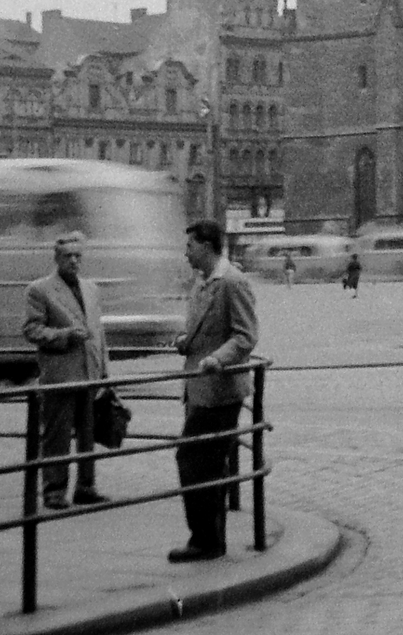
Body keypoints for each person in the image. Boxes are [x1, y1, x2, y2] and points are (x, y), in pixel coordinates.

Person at [169, 220, 258, 563]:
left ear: (206, 246)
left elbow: (246, 335)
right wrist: (185, 342)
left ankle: (204, 540)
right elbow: (202, 328)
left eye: (190, 246)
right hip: (198, 388)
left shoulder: (232, 282)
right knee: (205, 464)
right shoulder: (203, 282)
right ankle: (210, 539)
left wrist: (217, 359)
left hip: (220, 390)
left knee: (191, 459)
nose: (186, 253)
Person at [22, 231, 110, 510]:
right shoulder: (40, 289)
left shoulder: (92, 289)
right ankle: (54, 490)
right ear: (56, 259)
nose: (74, 261)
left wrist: (105, 371)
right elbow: (32, 330)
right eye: (67, 256)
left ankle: (86, 486)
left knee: (88, 433)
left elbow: (99, 331)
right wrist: (64, 336)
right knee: (56, 435)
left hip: (89, 372)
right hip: (60, 373)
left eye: (77, 256)